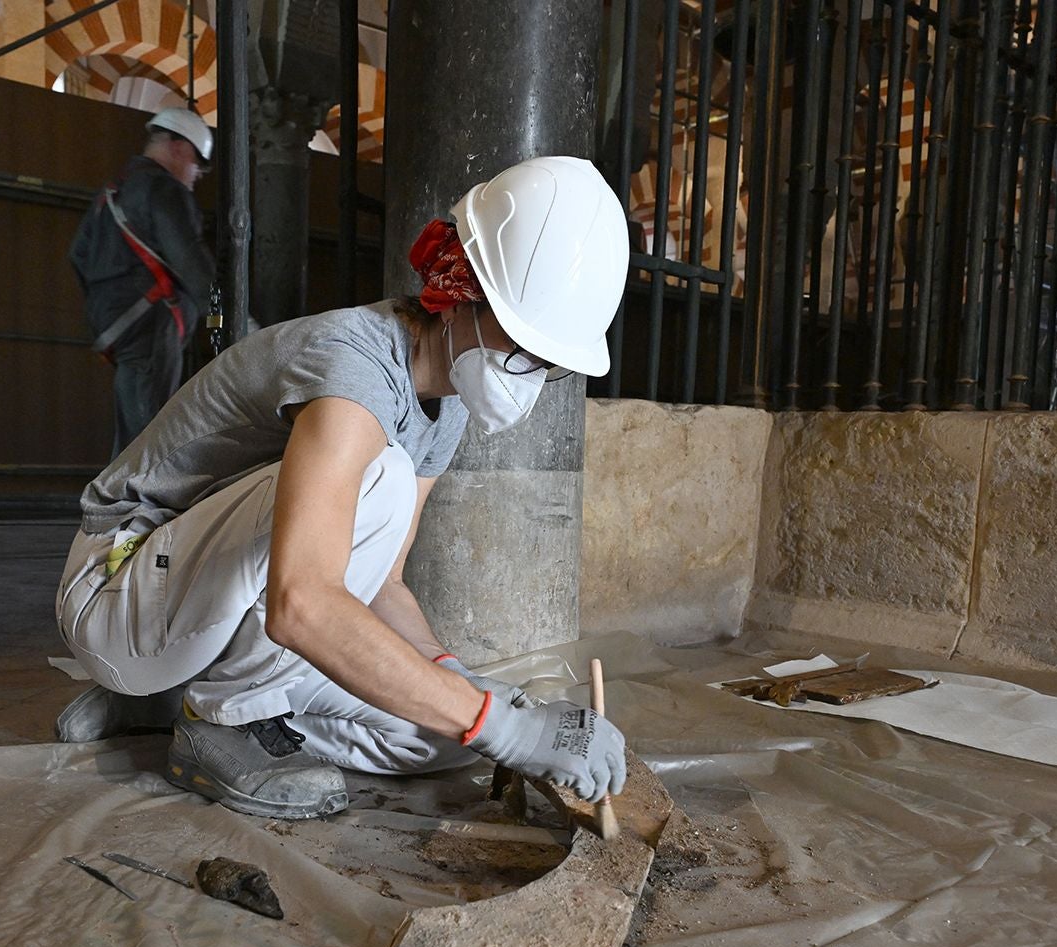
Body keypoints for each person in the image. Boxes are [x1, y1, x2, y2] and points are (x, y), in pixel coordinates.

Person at [54, 156, 631, 821]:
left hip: (193, 610)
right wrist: (496, 720)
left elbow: (381, 583)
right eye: (527, 344)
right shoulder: (353, 369)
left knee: (442, 738)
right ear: (462, 295)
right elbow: (301, 602)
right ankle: (220, 721)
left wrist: (474, 693)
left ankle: (170, 697)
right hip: (116, 588)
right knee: (376, 483)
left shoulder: (446, 406)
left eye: (550, 363)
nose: (531, 373)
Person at [69, 107, 217, 457]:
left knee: (134, 428)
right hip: (151, 321)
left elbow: (77, 255)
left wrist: (107, 304)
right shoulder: (164, 189)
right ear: (180, 147)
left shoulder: (112, 194)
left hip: (117, 325)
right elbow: (190, 258)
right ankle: (142, 508)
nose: (196, 175)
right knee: (152, 434)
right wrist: (225, 316)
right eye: (198, 164)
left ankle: (122, 505)